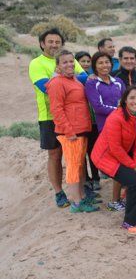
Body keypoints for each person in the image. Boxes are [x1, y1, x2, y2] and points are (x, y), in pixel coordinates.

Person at [29, 29, 88, 208]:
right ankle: (59, 192)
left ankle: (81, 190)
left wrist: (67, 76)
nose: (54, 44)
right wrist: (66, 78)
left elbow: (84, 78)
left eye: (57, 42)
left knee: (78, 155)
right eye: (50, 41)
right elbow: (46, 87)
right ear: (42, 43)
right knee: (55, 154)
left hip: (74, 117)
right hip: (48, 116)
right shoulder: (36, 63)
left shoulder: (68, 59)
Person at [92, 86, 136, 234]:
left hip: (123, 157)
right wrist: (133, 166)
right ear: (125, 100)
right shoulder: (116, 117)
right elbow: (115, 148)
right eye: (132, 98)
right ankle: (129, 222)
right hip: (105, 158)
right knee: (135, 182)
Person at [47, 50, 99, 213]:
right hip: (70, 133)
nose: (69, 64)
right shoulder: (57, 83)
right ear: (58, 67)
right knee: (73, 166)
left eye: (71, 61)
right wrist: (69, 132)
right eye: (65, 62)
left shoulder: (75, 80)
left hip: (82, 129)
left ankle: (82, 196)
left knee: (79, 164)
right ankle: (76, 203)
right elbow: (57, 110)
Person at [85, 51, 126, 210]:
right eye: (100, 63)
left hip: (124, 127)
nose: (104, 65)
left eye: (107, 62)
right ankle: (115, 201)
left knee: (126, 160)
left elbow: (127, 101)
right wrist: (120, 110)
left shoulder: (118, 82)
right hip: (107, 129)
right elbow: (98, 107)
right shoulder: (92, 83)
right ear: (95, 66)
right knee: (117, 163)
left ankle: (123, 197)